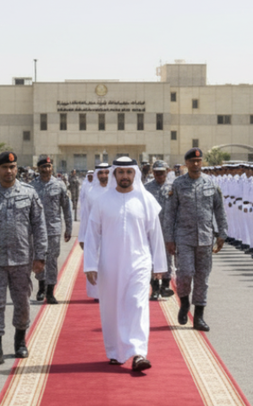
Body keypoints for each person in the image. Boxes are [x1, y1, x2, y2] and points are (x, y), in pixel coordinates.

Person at [84, 157, 168, 371]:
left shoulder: (145, 199)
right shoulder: (103, 201)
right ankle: (115, 351)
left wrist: (159, 265)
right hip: (109, 264)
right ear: (114, 175)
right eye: (120, 172)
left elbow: (155, 235)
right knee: (111, 308)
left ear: (134, 174)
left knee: (136, 305)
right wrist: (90, 265)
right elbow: (92, 235)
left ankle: (139, 352)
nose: (124, 176)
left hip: (139, 263)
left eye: (128, 172)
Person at [0, 152, 47, 368]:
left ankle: (19, 341)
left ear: (17, 169)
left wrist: (40, 256)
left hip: (22, 259)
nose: (9, 171)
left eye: (12, 166)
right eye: (4, 167)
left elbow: (39, 227)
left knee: (22, 304)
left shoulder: (29, 193)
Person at [163, 148, 228, 331]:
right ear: (187, 163)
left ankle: (199, 316)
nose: (196, 164)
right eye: (192, 161)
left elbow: (219, 210)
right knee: (185, 274)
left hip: (206, 238)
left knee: (202, 278)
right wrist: (169, 238)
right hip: (183, 237)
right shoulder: (178, 185)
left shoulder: (211, 184)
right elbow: (170, 214)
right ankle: (184, 302)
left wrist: (222, 234)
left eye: (199, 161)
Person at [31, 157, 72, 304]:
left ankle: (50, 291)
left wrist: (69, 228)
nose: (46, 169)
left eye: (48, 166)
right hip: (36, 230)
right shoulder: (31, 186)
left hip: (53, 228)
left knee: (52, 260)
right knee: (38, 258)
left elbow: (66, 207)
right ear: (38, 168)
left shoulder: (59, 185)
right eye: (43, 167)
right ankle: (41, 287)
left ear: (52, 168)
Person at [78, 163, 111, 300]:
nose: (103, 176)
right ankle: (97, 294)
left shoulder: (116, 190)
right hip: (95, 235)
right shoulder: (91, 193)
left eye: (106, 173)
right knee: (96, 263)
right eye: (101, 173)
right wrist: (82, 237)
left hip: (113, 234)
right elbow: (85, 215)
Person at [144, 161, 175, 300]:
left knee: (168, 258)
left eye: (161, 172)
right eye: (156, 172)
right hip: (151, 229)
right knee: (151, 259)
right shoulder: (146, 188)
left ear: (167, 171)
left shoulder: (173, 187)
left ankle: (165, 286)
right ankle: (155, 287)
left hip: (168, 229)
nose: (159, 175)